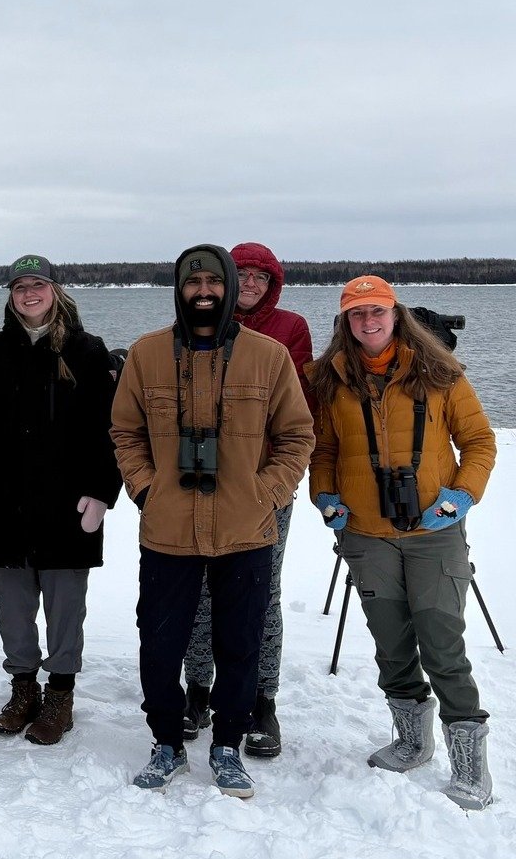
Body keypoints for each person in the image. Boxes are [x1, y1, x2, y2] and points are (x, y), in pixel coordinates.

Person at [111, 244, 312, 798]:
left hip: (245, 528)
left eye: (213, 282)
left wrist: (268, 492)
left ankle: (227, 745)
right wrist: (145, 487)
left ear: (227, 288)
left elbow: (298, 435)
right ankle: (167, 743)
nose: (204, 291)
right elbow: (124, 431)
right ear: (179, 289)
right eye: (193, 282)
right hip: (168, 529)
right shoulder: (146, 355)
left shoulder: (268, 356)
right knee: (160, 643)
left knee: (240, 643)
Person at [308, 275, 497, 810]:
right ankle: (413, 741)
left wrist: (462, 497)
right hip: (366, 535)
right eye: (357, 314)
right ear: (345, 322)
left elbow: (480, 442)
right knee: (391, 646)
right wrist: (326, 497)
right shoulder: (329, 379)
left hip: (434, 534)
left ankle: (469, 761)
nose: (369, 322)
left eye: (378, 312)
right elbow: (321, 453)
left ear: (396, 315)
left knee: (443, 645)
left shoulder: (441, 372)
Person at [0, 255, 120, 746]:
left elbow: (109, 429)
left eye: (38, 285)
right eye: (20, 286)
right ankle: (23, 687)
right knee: (13, 605)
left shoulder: (87, 352)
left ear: (55, 290)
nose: (29, 294)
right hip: (5, 505)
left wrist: (101, 493)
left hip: (68, 506)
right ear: (10, 294)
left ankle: (60, 693)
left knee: (66, 605)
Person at [178, 241, 315, 757]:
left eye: (261, 276)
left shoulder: (291, 329)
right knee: (200, 591)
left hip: (263, 488)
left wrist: (276, 485)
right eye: (243, 274)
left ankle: (262, 700)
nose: (251, 283)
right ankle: (198, 691)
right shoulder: (195, 321)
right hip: (202, 481)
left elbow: (299, 408)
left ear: (273, 283)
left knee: (263, 594)